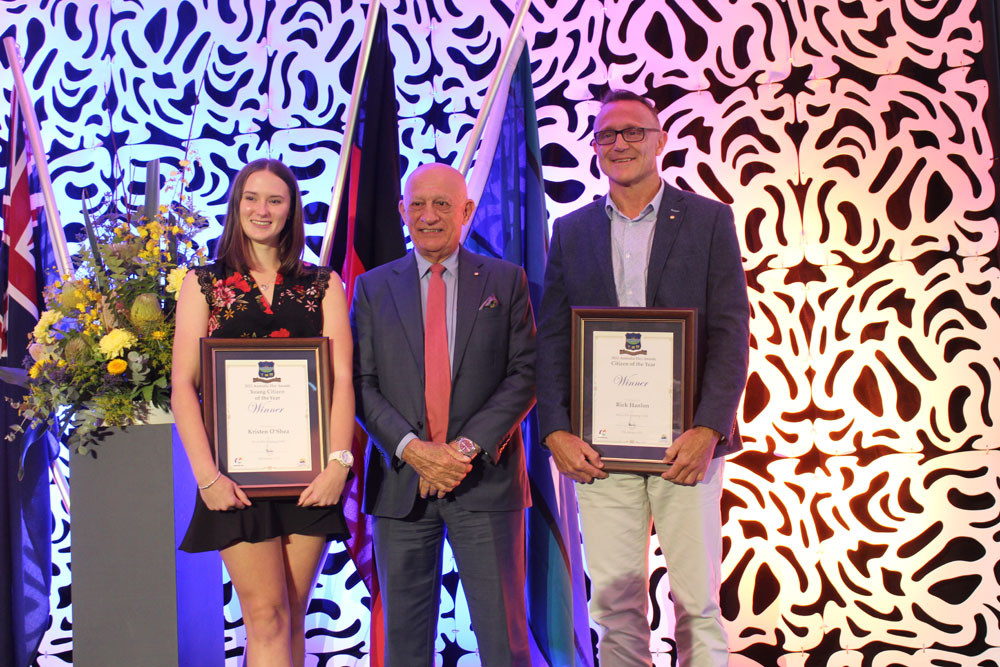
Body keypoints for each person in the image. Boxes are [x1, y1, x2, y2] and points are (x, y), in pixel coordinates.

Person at [536, 90, 750, 666]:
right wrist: (555, 430)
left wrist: (709, 429)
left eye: (633, 132)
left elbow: (732, 332)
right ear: (596, 150)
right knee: (613, 607)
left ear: (659, 141)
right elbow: (553, 337)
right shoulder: (573, 230)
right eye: (607, 135)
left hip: (688, 447)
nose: (620, 144)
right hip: (598, 450)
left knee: (698, 605)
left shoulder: (708, 220)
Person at [171, 158, 356, 667]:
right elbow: (182, 388)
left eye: (275, 200)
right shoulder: (204, 284)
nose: (262, 210)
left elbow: (342, 380)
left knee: (291, 615)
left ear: (292, 210)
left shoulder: (323, 284)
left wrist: (339, 465)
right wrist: (207, 479)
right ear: (236, 206)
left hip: (310, 475)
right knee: (267, 616)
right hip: (234, 480)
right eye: (252, 198)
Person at [350, 163, 535, 666]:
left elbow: (525, 374)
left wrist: (461, 451)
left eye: (442, 205)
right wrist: (416, 452)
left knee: (505, 642)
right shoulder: (370, 288)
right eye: (417, 204)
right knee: (404, 647)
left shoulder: (506, 280)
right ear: (402, 211)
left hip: (485, 483)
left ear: (467, 211)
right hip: (400, 486)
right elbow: (360, 385)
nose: (428, 216)